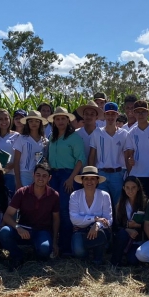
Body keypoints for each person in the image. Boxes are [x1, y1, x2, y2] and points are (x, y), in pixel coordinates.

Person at [0, 162, 60, 268]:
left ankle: (36, 252)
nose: (41, 178)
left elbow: (56, 220)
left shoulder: (54, 195)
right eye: (38, 175)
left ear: (49, 178)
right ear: (33, 175)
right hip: (23, 230)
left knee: (44, 250)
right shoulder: (22, 192)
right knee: (4, 232)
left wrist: (55, 242)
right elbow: (7, 215)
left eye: (44, 176)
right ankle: (17, 256)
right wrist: (18, 227)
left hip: (42, 231)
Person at [47, 106, 86, 254]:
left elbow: (80, 159)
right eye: (57, 118)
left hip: (67, 175)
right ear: (54, 121)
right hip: (54, 176)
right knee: (53, 210)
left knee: (64, 210)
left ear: (68, 120)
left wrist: (71, 179)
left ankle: (65, 247)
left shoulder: (74, 137)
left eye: (63, 118)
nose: (60, 121)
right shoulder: (52, 137)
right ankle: (54, 243)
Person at [69, 166, 112, 264]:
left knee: (101, 238)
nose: (89, 181)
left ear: (97, 181)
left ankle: (98, 254)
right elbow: (74, 219)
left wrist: (97, 225)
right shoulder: (75, 195)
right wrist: (95, 219)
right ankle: (90, 251)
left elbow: (109, 219)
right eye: (86, 179)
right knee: (79, 252)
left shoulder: (104, 195)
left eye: (93, 178)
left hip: (99, 231)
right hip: (80, 230)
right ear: (82, 181)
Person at [88, 102, 129, 206]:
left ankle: (119, 223)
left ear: (117, 115)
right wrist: (92, 175)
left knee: (118, 205)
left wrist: (129, 174)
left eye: (113, 114)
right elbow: (92, 155)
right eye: (108, 114)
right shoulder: (97, 133)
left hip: (117, 174)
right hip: (101, 174)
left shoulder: (124, 134)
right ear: (104, 115)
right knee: (102, 204)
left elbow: (127, 155)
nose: (110, 117)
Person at [110, 176, 147, 266]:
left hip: (139, 238)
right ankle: (115, 262)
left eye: (133, 187)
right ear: (123, 188)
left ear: (138, 188)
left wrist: (139, 226)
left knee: (132, 260)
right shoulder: (120, 204)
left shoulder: (146, 203)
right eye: (127, 188)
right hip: (123, 238)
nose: (130, 190)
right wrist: (127, 228)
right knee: (122, 233)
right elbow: (115, 225)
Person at [13, 110, 49, 189]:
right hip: (24, 174)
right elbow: (16, 161)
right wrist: (18, 181)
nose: (34, 123)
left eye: (37, 121)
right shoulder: (21, 139)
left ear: (40, 123)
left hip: (40, 176)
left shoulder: (45, 141)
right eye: (31, 121)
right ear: (27, 123)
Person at [0, 109, 19, 194]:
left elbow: (20, 156)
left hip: (11, 174)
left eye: (6, 118)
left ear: (10, 119)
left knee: (9, 201)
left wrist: (13, 165)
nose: (4, 121)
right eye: (1, 119)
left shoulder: (17, 136)